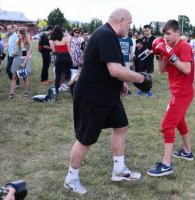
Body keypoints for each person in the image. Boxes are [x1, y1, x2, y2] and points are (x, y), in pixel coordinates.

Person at [64, 8, 151, 194]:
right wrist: (141, 78)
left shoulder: (108, 35)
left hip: (108, 95)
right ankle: (71, 178)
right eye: (129, 23)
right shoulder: (105, 35)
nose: (130, 27)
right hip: (92, 96)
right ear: (121, 20)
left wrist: (123, 82)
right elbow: (115, 70)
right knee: (85, 139)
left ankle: (119, 170)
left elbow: (112, 66)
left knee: (121, 126)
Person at [148, 19, 195, 176]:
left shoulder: (184, 46)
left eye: (168, 33)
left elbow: (187, 69)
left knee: (167, 125)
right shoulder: (169, 47)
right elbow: (162, 70)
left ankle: (166, 164)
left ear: (176, 32)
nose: (166, 37)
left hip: (183, 91)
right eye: (164, 34)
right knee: (179, 121)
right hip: (177, 90)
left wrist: (171, 55)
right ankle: (187, 151)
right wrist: (160, 54)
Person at [8, 28, 32, 99]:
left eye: (19, 33)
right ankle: (11, 93)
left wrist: (24, 63)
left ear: (23, 34)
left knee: (26, 77)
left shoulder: (27, 43)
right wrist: (13, 53)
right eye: (17, 33)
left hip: (25, 61)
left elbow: (27, 54)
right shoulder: (17, 42)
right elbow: (16, 52)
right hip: (17, 60)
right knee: (14, 77)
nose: (18, 34)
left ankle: (26, 93)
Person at [49, 25, 73, 95]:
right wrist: (72, 59)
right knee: (69, 75)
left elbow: (53, 51)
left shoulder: (52, 40)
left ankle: (56, 90)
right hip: (67, 57)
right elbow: (69, 50)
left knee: (58, 75)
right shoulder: (66, 38)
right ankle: (72, 90)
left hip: (59, 57)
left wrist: (58, 54)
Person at [138, 25, 155, 96]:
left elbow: (157, 49)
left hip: (149, 60)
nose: (146, 32)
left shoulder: (154, 39)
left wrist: (152, 51)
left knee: (149, 74)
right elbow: (140, 49)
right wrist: (139, 47)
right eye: (144, 31)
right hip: (142, 60)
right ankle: (142, 88)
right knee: (141, 74)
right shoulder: (142, 38)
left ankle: (150, 90)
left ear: (150, 30)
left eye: (147, 30)